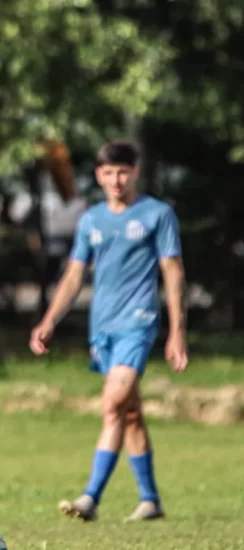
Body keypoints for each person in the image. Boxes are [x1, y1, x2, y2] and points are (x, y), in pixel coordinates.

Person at [30, 140, 188, 523]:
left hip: (139, 321)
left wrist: (177, 331)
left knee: (112, 404)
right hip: (103, 328)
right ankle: (150, 500)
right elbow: (73, 275)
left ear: (135, 172)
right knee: (130, 413)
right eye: (108, 173)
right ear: (98, 176)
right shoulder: (92, 220)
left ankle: (90, 498)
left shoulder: (157, 214)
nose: (116, 179)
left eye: (123, 171)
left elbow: (173, 272)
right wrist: (49, 320)